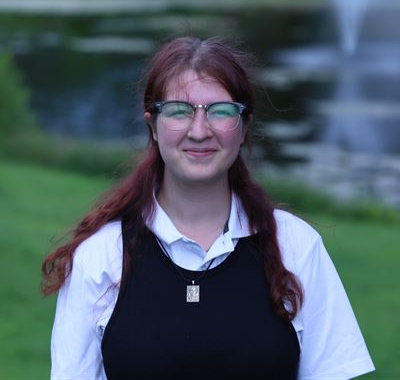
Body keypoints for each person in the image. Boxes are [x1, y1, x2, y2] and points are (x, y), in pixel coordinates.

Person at [42, 36, 375, 380]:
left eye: (220, 111)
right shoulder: (101, 258)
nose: (199, 131)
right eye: (178, 111)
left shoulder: (295, 247)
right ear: (152, 126)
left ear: (244, 126)